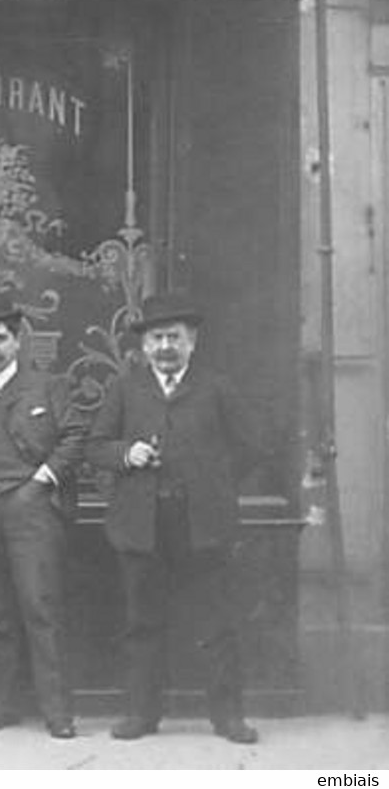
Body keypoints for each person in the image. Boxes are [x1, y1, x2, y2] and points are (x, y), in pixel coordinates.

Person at [86, 293, 264, 745]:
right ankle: (142, 716)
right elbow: (95, 446)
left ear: (192, 342)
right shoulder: (124, 388)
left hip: (203, 526)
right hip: (141, 526)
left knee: (216, 622)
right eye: (157, 338)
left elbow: (250, 448)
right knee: (141, 622)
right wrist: (127, 454)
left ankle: (228, 718)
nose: (166, 346)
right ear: (143, 346)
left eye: (175, 338)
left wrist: (214, 486)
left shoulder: (216, 387)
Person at [0, 292, 86, 740]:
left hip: (31, 511)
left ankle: (57, 712)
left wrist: (42, 480)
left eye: (0, 338)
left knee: (40, 607)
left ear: (17, 340)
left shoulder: (47, 386)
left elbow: (75, 436)